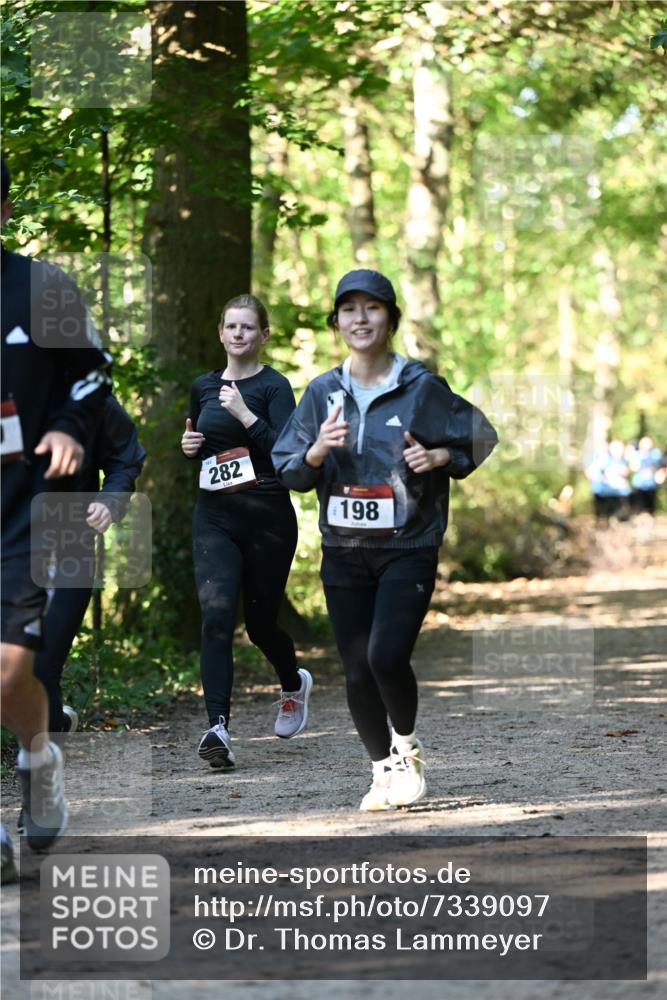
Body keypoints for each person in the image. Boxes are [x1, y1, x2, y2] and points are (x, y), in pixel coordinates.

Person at [272, 269, 498, 811]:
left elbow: (481, 436)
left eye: (372, 308)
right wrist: (317, 450)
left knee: (386, 656)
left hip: (408, 544)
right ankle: (381, 771)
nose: (360, 319)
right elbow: (288, 468)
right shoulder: (322, 392)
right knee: (355, 669)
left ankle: (407, 748)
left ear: (390, 320)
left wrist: (440, 456)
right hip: (344, 549)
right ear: (336, 323)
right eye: (349, 310)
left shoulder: (421, 387)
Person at [1, 156, 112, 875]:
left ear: (5, 210)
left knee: (9, 674)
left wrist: (70, 426)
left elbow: (94, 369)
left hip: (25, 512)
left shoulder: (41, 287)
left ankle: (39, 760)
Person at [182, 294, 311, 770]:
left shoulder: (274, 387)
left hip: (267, 517)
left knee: (260, 626)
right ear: (221, 333)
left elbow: (287, 454)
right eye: (231, 326)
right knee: (216, 618)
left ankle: (293, 682)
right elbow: (203, 448)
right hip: (214, 517)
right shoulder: (203, 385)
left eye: (248, 327)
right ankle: (217, 728)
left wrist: (245, 414)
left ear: (263, 335)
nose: (239, 334)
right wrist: (189, 446)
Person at [33, 395, 146, 736]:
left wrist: (109, 501)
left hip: (70, 548)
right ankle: (55, 722)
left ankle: (45, 751)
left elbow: (126, 456)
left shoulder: (89, 396)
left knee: (42, 664)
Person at [628, 436, 664, 516]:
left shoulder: (655, 454)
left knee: (650, 507)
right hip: (639, 485)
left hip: (651, 485)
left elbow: (661, 466)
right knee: (639, 506)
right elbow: (633, 467)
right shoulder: (636, 455)